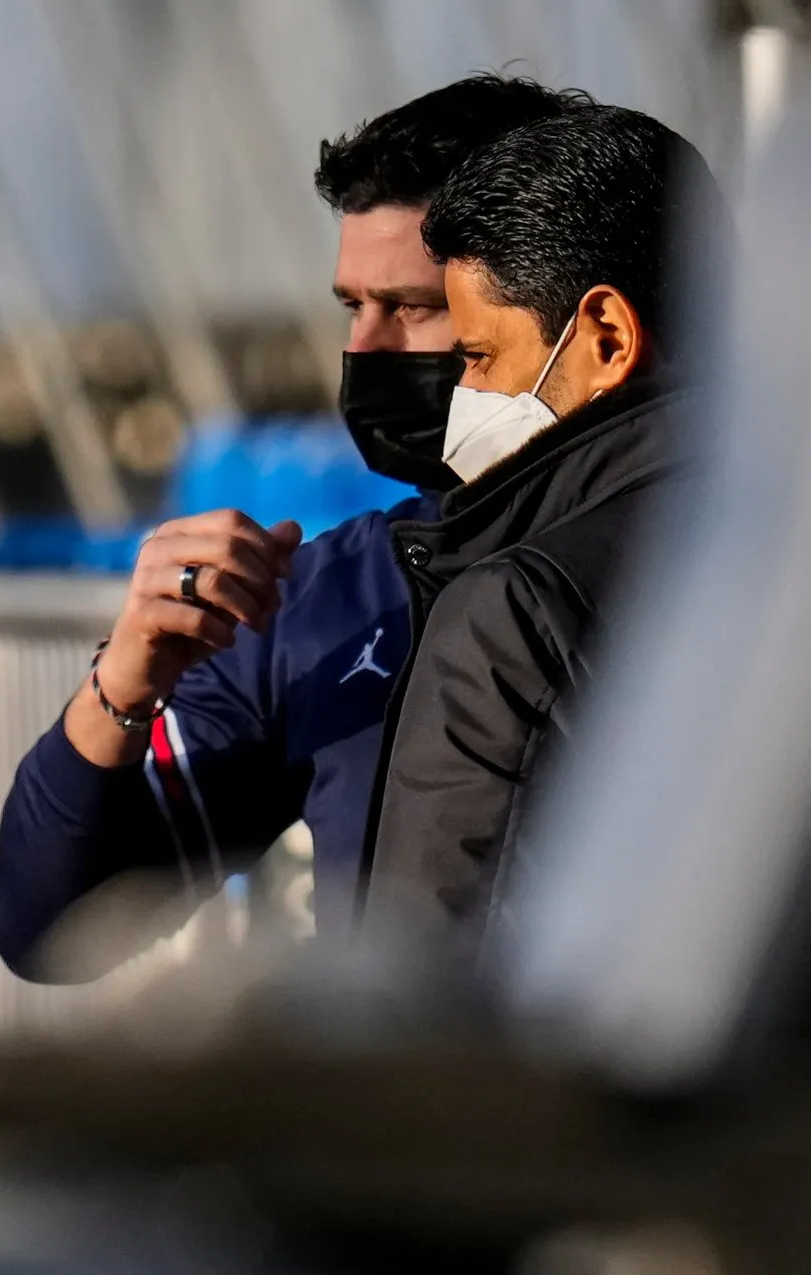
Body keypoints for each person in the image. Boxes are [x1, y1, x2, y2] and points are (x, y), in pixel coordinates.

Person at [0, 74, 590, 979]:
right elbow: (50, 928)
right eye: (354, 306)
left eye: (414, 308)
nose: (364, 350)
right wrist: (124, 679)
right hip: (408, 1109)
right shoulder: (324, 598)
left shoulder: (718, 573)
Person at [358, 106, 725, 966]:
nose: (463, 399)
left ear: (605, 336)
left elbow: (430, 984)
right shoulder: (766, 553)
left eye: (480, 358)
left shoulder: (513, 610)